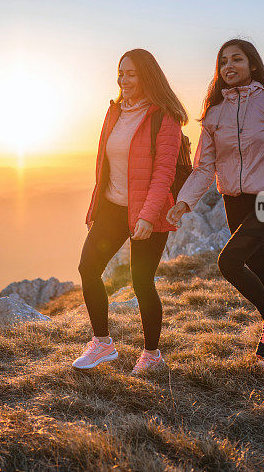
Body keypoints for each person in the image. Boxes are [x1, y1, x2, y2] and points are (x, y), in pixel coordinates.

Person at [166, 38, 264, 360]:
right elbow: (203, 167)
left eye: (236, 59)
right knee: (259, 264)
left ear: (252, 64)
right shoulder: (213, 114)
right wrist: (183, 202)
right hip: (234, 200)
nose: (229, 67)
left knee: (229, 261)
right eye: (223, 62)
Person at [73, 48, 187, 374]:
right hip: (112, 206)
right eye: (121, 73)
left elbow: (164, 173)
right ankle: (102, 344)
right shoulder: (114, 112)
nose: (124, 80)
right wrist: (96, 207)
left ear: (147, 76)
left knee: (142, 282)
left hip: (147, 210)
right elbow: (103, 166)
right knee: (87, 268)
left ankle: (151, 356)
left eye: (132, 74)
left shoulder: (164, 118)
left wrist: (149, 216)